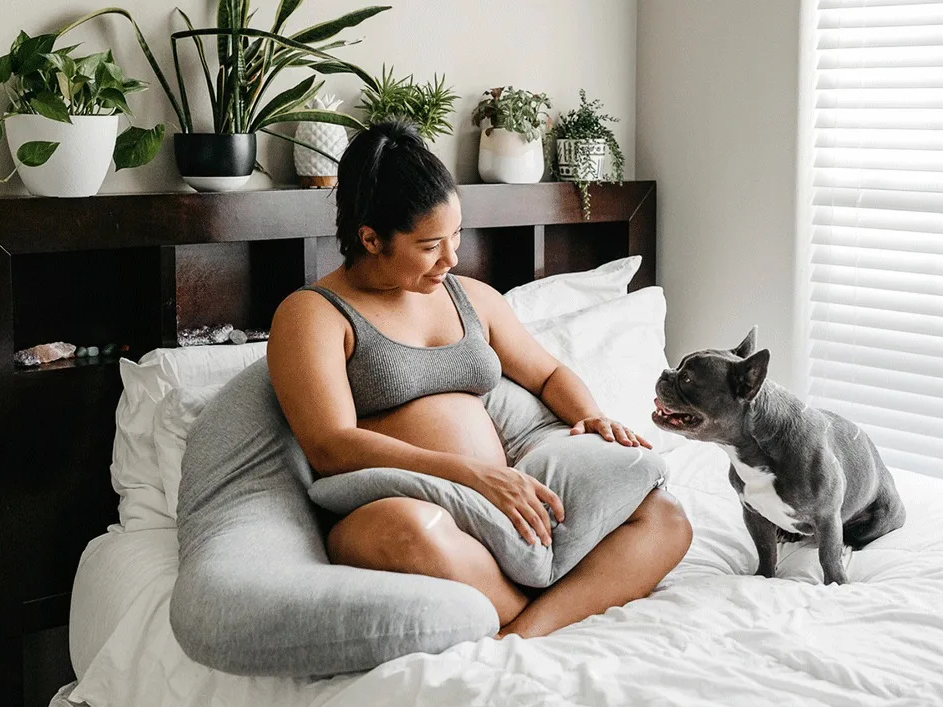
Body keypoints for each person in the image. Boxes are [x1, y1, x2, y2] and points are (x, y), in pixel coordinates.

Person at [267, 121, 692, 638]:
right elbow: (330, 445)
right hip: (403, 505)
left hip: (505, 502)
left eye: (457, 236)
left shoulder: (472, 297)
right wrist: (471, 474)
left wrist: (592, 417)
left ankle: (523, 633)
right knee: (412, 531)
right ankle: (550, 605)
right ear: (371, 238)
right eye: (430, 246)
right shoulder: (313, 314)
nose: (452, 259)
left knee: (666, 517)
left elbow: (548, 373)